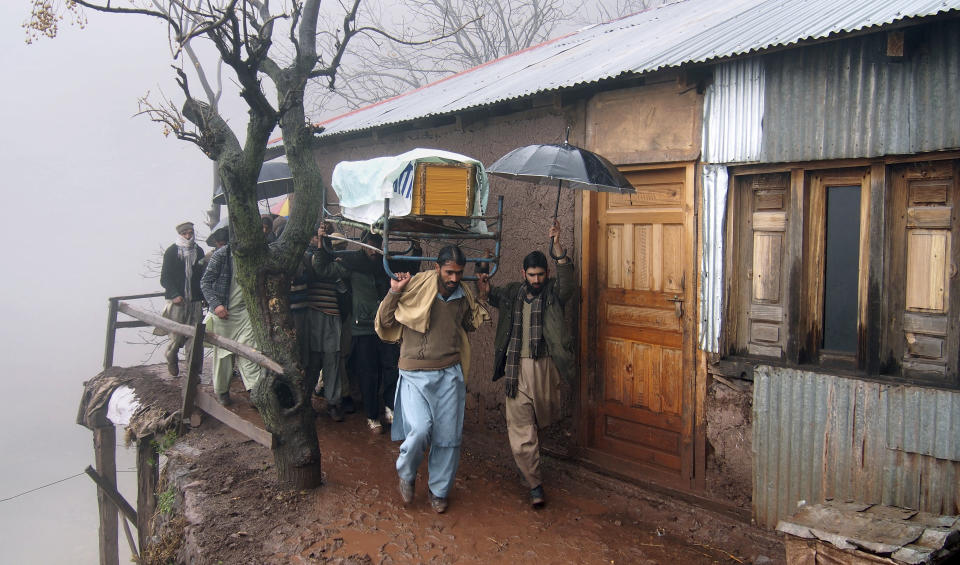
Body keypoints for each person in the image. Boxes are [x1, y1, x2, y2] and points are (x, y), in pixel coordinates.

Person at [376, 246, 489, 513]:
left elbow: (470, 324)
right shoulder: (414, 288)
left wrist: (483, 295)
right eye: (449, 272)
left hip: (449, 375)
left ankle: (439, 491)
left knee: (448, 438)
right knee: (419, 430)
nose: (454, 279)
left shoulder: (463, 295)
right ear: (437, 268)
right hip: (414, 374)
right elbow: (384, 320)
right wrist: (394, 290)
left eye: (459, 273)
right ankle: (406, 473)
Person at [475, 220, 576, 509]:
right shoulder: (511, 293)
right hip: (515, 369)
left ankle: (528, 467)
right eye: (531, 275)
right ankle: (534, 484)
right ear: (523, 273)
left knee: (542, 421)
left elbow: (568, 282)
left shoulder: (555, 293)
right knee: (521, 430)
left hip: (545, 369)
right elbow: (488, 293)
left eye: (541, 275)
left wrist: (557, 247)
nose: (536, 280)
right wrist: (481, 272)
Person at [315, 228, 400, 434]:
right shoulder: (352, 264)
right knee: (368, 373)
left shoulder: (386, 264)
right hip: (363, 327)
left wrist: (416, 246)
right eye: (370, 243)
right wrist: (322, 243)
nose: (374, 248)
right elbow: (322, 269)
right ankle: (372, 416)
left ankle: (390, 407)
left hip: (387, 326)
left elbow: (409, 269)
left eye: (378, 243)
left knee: (391, 368)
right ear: (363, 243)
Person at [200, 241, 264, 405]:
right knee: (223, 357)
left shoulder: (254, 255)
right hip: (223, 314)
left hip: (245, 313)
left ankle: (255, 392)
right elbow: (205, 282)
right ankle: (222, 392)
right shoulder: (221, 255)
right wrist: (216, 304)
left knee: (250, 352)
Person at [159, 221, 205, 376]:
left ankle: (194, 372)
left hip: (195, 301)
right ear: (180, 234)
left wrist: (204, 296)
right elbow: (165, 278)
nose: (188, 236)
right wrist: (174, 295)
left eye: (190, 233)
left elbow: (203, 276)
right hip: (177, 301)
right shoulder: (172, 252)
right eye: (185, 233)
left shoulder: (199, 251)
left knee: (195, 337)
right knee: (176, 337)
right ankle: (171, 357)